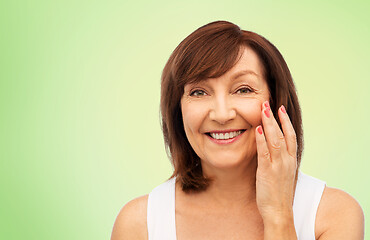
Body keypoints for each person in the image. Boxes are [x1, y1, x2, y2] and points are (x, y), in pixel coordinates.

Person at [111, 21, 364, 240]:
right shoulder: (138, 224)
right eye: (199, 92)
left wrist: (278, 215)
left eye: (243, 89)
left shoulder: (334, 215)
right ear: (178, 111)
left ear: (276, 102)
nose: (222, 115)